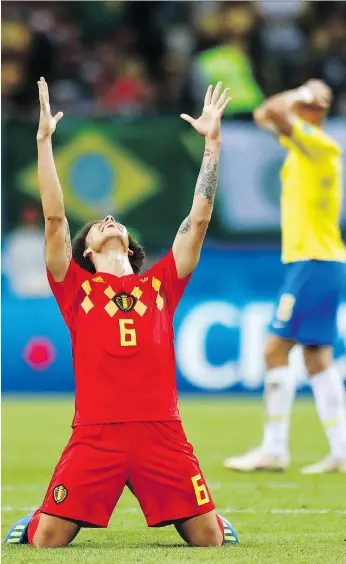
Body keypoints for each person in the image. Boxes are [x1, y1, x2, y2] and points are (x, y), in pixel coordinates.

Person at [5, 78, 238, 547]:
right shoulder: (76, 289)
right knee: (46, 540)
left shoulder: (161, 286)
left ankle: (210, 516)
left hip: (162, 434)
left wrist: (212, 143)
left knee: (210, 542)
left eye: (114, 222)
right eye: (95, 226)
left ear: (131, 246)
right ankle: (37, 517)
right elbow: (54, 217)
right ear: (86, 251)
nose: (107, 222)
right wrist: (44, 142)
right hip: (95, 437)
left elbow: (199, 220)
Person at [224, 79, 346, 475]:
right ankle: (341, 451)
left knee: (275, 351)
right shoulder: (304, 145)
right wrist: (303, 95)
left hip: (312, 261)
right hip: (320, 263)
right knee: (317, 359)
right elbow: (263, 115)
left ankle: (274, 448)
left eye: (308, 107)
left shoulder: (319, 144)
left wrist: (301, 94)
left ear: (314, 112)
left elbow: (274, 111)